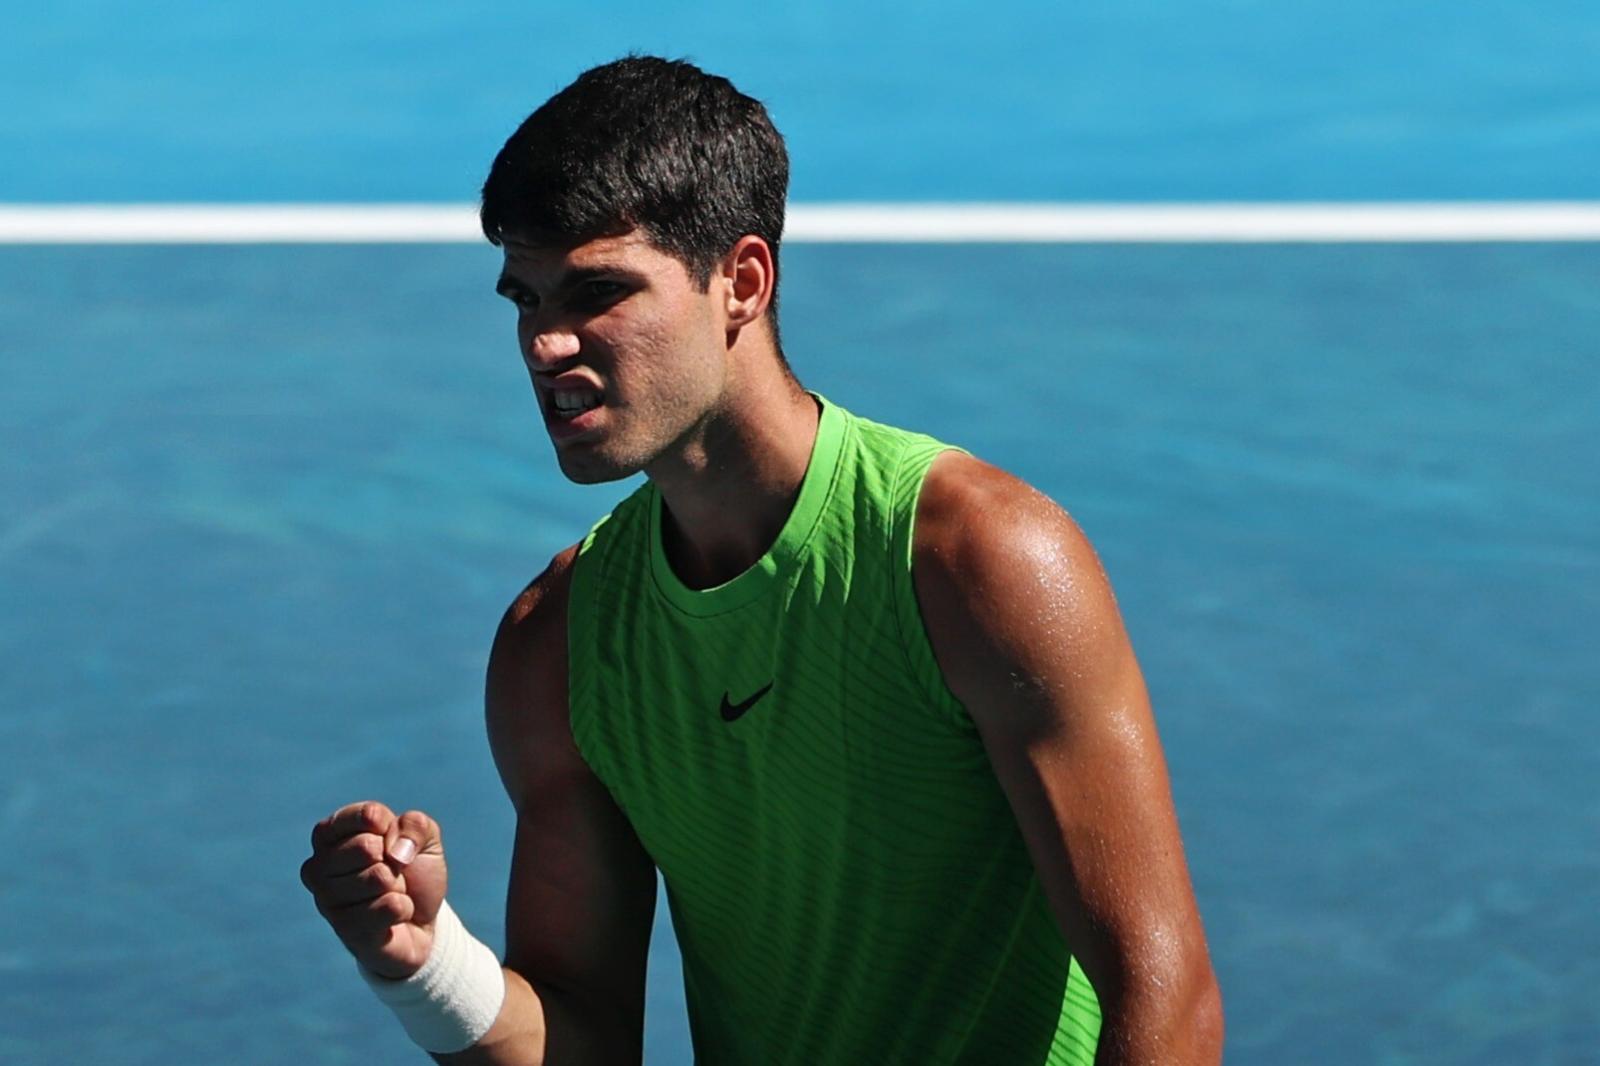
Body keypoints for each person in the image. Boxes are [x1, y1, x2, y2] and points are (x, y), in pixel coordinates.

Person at [300, 55, 1222, 1065]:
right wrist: (427, 962)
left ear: (740, 282)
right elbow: (582, 1037)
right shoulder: (556, 644)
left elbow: (1164, 1004)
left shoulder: (977, 561)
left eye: (596, 292)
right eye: (525, 299)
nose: (544, 344)